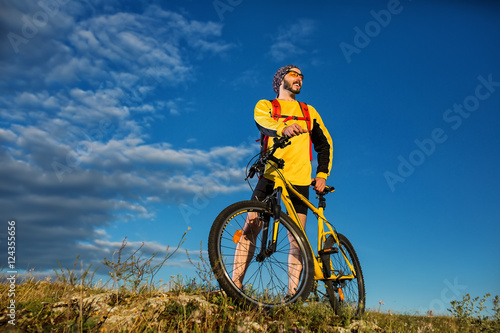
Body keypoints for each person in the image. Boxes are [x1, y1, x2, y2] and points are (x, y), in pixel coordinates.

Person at [232, 65, 333, 294]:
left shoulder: (309, 112)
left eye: (301, 76)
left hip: (298, 179)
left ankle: (292, 295)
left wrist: (321, 174)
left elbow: (324, 143)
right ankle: (234, 285)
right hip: (271, 175)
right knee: (250, 228)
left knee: (296, 239)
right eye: (294, 74)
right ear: (280, 79)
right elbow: (262, 122)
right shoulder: (267, 106)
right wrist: (283, 128)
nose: (299, 78)